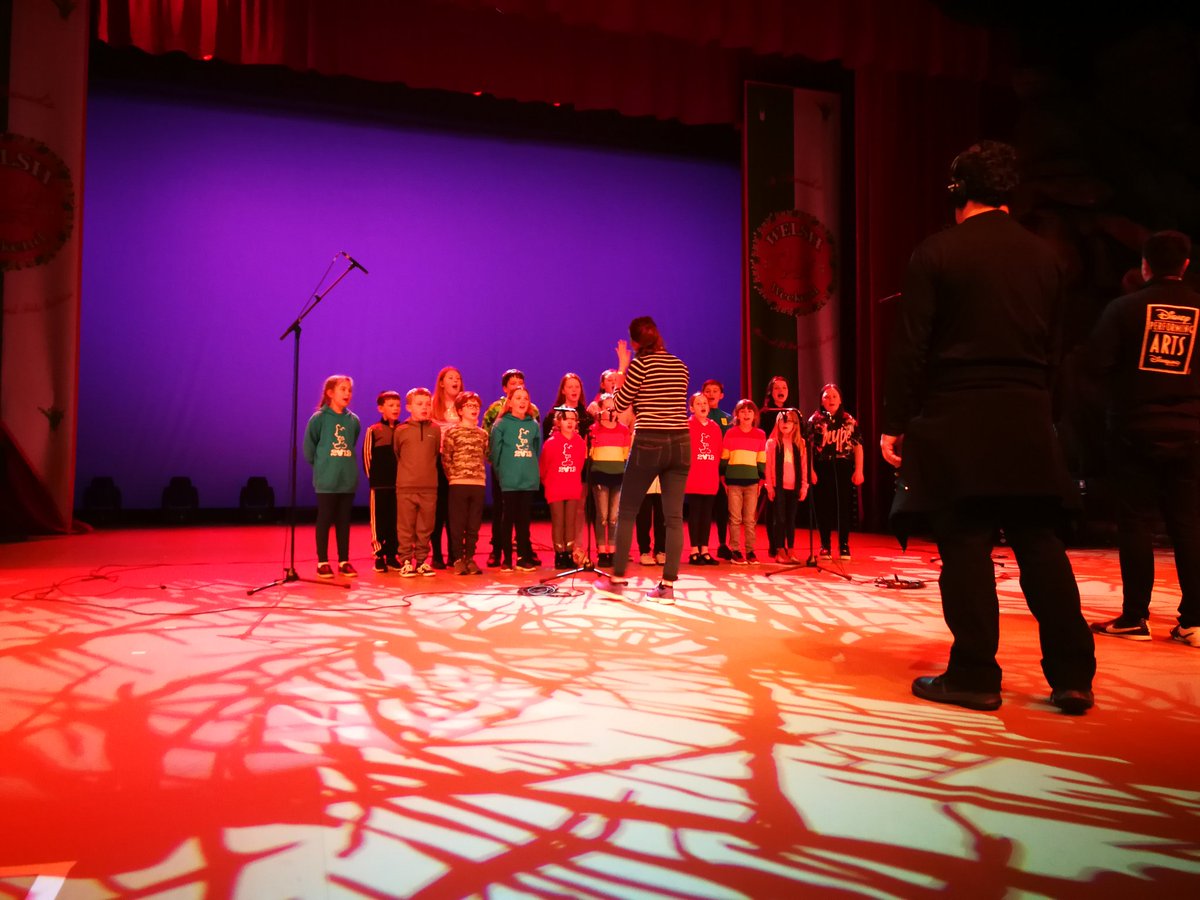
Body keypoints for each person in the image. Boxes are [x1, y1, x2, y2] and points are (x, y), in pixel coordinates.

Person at [880, 139, 1096, 715]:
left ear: (957, 190)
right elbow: (1055, 351)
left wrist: (893, 422)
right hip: (1026, 415)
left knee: (967, 546)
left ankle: (975, 674)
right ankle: (1073, 676)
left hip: (958, 416)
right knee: (1040, 544)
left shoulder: (937, 253)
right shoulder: (1047, 259)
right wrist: (1041, 415)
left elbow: (911, 348)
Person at [1085, 230, 1200, 648]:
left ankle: (1135, 617)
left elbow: (1095, 363)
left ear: (1145, 265)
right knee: (1189, 526)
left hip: (1134, 430)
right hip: (1190, 432)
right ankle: (1195, 621)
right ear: (1185, 265)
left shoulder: (1125, 309)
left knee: (1135, 524)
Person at [594, 316, 690, 604]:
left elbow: (619, 405)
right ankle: (667, 586)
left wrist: (623, 367)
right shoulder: (680, 365)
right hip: (681, 442)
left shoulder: (640, 365)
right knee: (674, 518)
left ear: (635, 342)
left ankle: (618, 579)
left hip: (650, 440)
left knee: (627, 511)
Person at [303, 374, 361, 578]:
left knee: (344, 521)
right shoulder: (319, 419)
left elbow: (351, 444)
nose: (347, 393)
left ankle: (344, 560)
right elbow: (309, 448)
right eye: (342, 389)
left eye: (349, 390)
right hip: (327, 481)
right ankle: (322, 561)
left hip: (347, 480)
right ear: (330, 393)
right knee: (325, 519)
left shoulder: (353, 420)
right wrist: (322, 468)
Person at [483, 369, 540, 567]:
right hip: (508, 478)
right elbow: (494, 452)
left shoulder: (533, 424)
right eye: (518, 397)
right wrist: (501, 473)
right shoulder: (500, 423)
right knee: (506, 518)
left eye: (525, 397)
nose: (522, 401)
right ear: (510, 399)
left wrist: (531, 471)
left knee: (524, 520)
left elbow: (536, 450)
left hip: (527, 478)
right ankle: (505, 557)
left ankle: (524, 556)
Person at [807, 384, 865, 560]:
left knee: (843, 507)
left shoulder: (849, 420)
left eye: (834, 396)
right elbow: (808, 448)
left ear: (840, 399)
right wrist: (810, 470)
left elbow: (858, 446)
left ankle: (844, 545)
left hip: (843, 466)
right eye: (826, 396)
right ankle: (825, 545)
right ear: (821, 400)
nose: (830, 400)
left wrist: (859, 470)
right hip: (822, 467)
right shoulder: (814, 420)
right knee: (823, 507)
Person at [392, 387, 441, 577]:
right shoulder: (401, 430)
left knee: (425, 526)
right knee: (405, 526)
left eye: (428, 404)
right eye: (419, 404)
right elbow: (397, 453)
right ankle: (405, 560)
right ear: (409, 407)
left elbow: (435, 453)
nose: (424, 408)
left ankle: (421, 561)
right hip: (406, 487)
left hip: (429, 487)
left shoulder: (435, 430)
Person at [441, 391, 488, 575]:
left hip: (478, 483)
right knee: (457, 523)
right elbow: (446, 458)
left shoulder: (482, 434)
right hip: (458, 483)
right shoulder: (453, 432)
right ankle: (458, 558)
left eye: (476, 406)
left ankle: (470, 557)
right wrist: (454, 476)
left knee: (473, 524)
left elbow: (485, 455)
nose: (474, 409)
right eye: (469, 406)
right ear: (460, 410)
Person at [541, 406, 587, 568]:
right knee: (558, 520)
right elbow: (544, 466)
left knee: (571, 522)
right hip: (555, 488)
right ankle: (559, 554)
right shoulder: (551, 443)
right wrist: (549, 484)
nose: (569, 422)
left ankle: (569, 552)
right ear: (558, 422)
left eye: (573, 419)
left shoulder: (580, 443)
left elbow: (580, 464)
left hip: (572, 487)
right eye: (566, 419)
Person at [722, 398, 766, 564]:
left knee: (749, 519)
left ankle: (750, 551)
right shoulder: (731, 433)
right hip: (733, 482)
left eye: (750, 411)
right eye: (742, 411)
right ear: (737, 415)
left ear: (754, 415)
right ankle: (735, 550)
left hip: (752, 483)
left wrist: (761, 481)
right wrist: (723, 479)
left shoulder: (760, 435)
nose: (746, 414)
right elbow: (725, 458)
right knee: (735, 518)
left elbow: (761, 460)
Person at [362, 389, 402, 573]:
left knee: (396, 521)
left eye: (398, 405)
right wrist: (374, 480)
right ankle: (379, 555)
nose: (395, 408)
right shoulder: (374, 430)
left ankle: (393, 554)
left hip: (399, 485)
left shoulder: (403, 429)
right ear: (381, 408)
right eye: (391, 405)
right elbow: (367, 457)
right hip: (379, 485)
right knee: (379, 521)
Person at [588, 392, 630, 567]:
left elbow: (625, 454)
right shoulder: (593, 430)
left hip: (617, 477)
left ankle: (612, 549)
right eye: (607, 408)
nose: (611, 412)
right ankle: (601, 550)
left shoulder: (623, 430)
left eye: (613, 408)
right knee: (602, 515)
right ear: (600, 410)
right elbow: (590, 453)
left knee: (614, 516)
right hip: (600, 476)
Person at [429, 365, 464, 569]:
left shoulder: (464, 404)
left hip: (459, 461)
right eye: (451, 378)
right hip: (438, 460)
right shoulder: (433, 404)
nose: (455, 381)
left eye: (458, 378)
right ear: (442, 382)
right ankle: (436, 554)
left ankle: (454, 553)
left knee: (456, 511)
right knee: (439, 510)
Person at [764, 408, 808, 563]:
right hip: (778, 487)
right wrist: (769, 486)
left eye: (788, 420)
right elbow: (768, 466)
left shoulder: (800, 443)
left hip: (794, 487)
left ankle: (791, 549)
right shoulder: (772, 443)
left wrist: (804, 486)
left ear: (795, 424)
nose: (785, 423)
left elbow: (803, 467)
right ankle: (779, 549)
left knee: (791, 519)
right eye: (782, 420)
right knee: (780, 519)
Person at [685, 391, 723, 565]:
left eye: (705, 403)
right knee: (695, 514)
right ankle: (694, 550)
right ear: (691, 408)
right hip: (694, 477)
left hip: (710, 477)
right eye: (698, 403)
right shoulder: (687, 426)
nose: (702, 406)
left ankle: (705, 550)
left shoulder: (715, 427)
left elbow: (718, 451)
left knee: (707, 515)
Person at [759, 376, 792, 558]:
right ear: (771, 392)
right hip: (771, 463)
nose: (781, 391)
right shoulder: (764, 414)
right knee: (773, 506)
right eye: (777, 388)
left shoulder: (793, 413)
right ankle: (775, 544)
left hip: (788, 466)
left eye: (784, 388)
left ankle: (785, 543)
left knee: (787, 507)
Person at [702, 379, 735, 560]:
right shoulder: (699, 417)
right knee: (704, 509)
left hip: (722, 470)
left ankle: (723, 544)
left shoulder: (728, 418)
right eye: (708, 391)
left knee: (723, 509)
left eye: (715, 391)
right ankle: (701, 546)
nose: (712, 394)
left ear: (721, 395)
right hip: (704, 468)